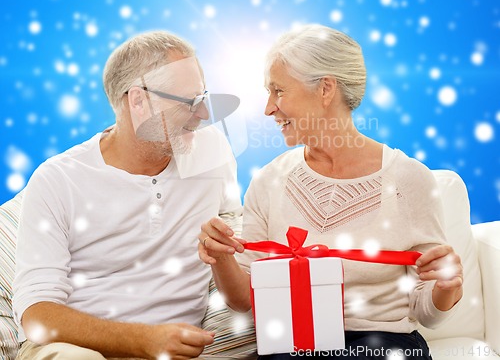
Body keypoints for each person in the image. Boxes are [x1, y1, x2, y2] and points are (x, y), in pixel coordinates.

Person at [199, 24, 463, 359]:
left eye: (279, 91)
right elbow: (245, 303)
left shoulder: (409, 180)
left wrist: (446, 286)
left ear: (325, 89)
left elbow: (427, 311)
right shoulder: (269, 181)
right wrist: (220, 256)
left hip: (382, 346)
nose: (268, 108)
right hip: (294, 347)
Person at [13, 30, 241, 360]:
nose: (203, 115)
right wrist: (143, 340)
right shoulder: (58, 179)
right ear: (138, 101)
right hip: (76, 348)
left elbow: (236, 258)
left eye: (202, 98)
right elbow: (36, 315)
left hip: (173, 349)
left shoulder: (212, 151)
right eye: (188, 102)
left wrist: (222, 250)